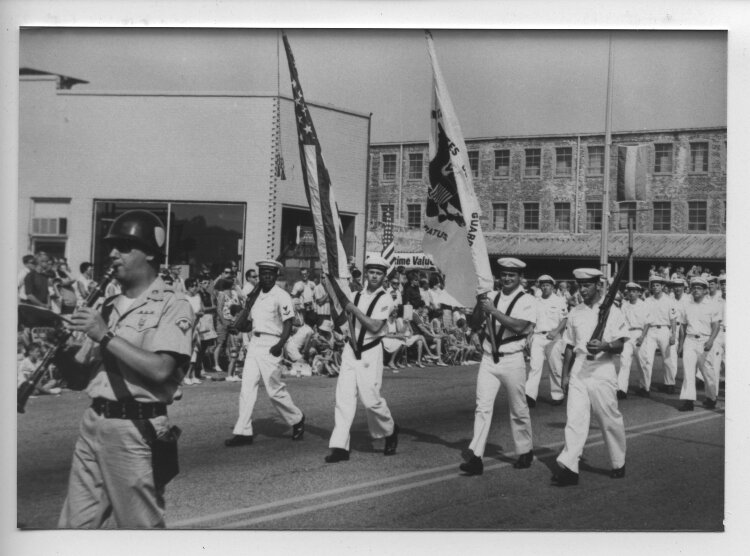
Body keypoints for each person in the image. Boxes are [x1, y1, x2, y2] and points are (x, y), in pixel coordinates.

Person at [58, 209, 194, 528]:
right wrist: (61, 349)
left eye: (123, 246)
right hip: (94, 423)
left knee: (139, 532)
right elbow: (79, 380)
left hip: (136, 429)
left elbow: (161, 369)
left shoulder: (173, 304)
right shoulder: (107, 306)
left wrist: (105, 335)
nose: (112, 254)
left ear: (149, 252)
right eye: (112, 246)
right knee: (72, 531)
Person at [551, 268, 628, 487]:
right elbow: (569, 346)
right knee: (575, 420)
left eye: (587, 285)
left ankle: (617, 461)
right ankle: (570, 468)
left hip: (602, 369)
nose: (582, 290)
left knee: (608, 419)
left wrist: (605, 345)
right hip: (579, 368)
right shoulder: (575, 312)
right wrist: (565, 375)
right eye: (579, 285)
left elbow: (621, 344)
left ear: (598, 286)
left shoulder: (612, 311)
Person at [459, 257, 536, 476]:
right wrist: (479, 303)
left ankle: (524, 449)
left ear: (520, 278)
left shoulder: (527, 300)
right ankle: (476, 456)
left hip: (512, 359)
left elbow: (520, 326)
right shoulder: (491, 296)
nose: (507, 278)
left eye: (512, 275)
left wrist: (492, 311)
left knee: (518, 408)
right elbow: (474, 324)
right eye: (503, 274)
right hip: (488, 358)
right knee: (482, 407)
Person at [324, 255, 400, 463]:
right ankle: (340, 446)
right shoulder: (356, 295)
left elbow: (375, 326)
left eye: (379, 273)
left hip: (370, 352)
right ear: (366, 273)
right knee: (344, 398)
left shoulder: (385, 298)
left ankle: (390, 430)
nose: (374, 276)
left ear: (384, 276)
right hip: (351, 350)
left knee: (371, 400)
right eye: (371, 272)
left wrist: (352, 309)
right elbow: (344, 321)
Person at [225, 260, 305, 447]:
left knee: (274, 391)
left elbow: (288, 323)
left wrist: (280, 344)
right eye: (263, 273)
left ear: (276, 275)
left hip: (272, 343)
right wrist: (236, 328)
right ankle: (243, 432)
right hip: (255, 342)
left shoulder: (281, 295)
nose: (266, 277)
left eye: (270, 273)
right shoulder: (255, 296)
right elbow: (251, 324)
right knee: (247, 388)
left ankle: (297, 419)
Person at [676, 277, 722, 411]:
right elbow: (683, 327)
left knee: (708, 372)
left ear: (705, 291)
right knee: (688, 371)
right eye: (694, 287)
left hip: (705, 341)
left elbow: (716, 326)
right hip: (690, 341)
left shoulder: (712, 305)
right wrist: (681, 345)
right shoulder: (686, 305)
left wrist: (711, 341)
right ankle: (688, 401)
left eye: (699, 288)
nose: (696, 290)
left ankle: (711, 397)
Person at [525, 275, 568, 407]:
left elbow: (565, 319)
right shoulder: (536, 301)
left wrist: (555, 331)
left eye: (547, 285)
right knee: (534, 366)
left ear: (552, 286)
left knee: (555, 367)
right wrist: (528, 335)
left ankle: (557, 394)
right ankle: (530, 396)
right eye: (542, 285)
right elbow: (532, 321)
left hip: (553, 337)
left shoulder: (559, 300)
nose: (545, 287)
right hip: (538, 336)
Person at [636, 275, 677, 396]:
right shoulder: (647, 301)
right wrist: (642, 335)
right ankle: (645, 387)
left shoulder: (669, 300)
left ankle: (669, 384)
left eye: (658, 285)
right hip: (650, 331)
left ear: (662, 286)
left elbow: (673, 319)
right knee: (647, 360)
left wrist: (673, 334)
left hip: (664, 329)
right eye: (653, 285)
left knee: (668, 359)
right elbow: (645, 319)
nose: (655, 287)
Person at [616, 282, 649, 399]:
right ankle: (621, 389)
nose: (631, 293)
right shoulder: (624, 305)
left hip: (639, 333)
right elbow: (621, 322)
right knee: (624, 362)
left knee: (642, 362)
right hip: (627, 334)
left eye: (634, 291)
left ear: (639, 293)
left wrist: (642, 336)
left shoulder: (644, 305)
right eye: (629, 291)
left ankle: (644, 387)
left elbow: (647, 323)